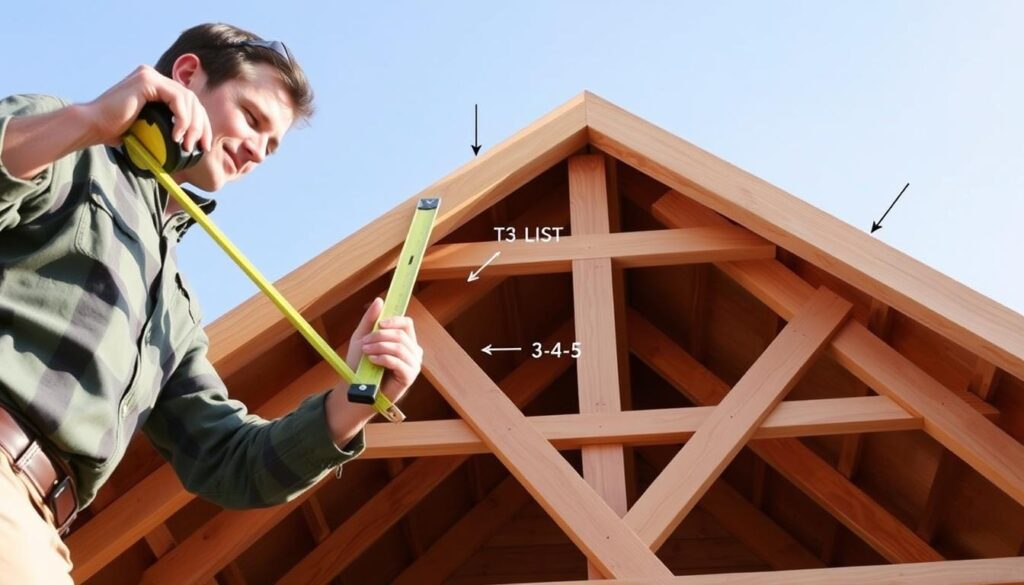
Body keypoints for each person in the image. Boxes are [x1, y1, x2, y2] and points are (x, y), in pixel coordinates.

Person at [0, 23, 422, 582]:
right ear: (185, 75)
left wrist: (357, 403)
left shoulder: (176, 310)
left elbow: (229, 460)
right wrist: (90, 121)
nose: (258, 151)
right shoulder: (68, 144)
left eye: (272, 147)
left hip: (41, 527)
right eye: (252, 118)